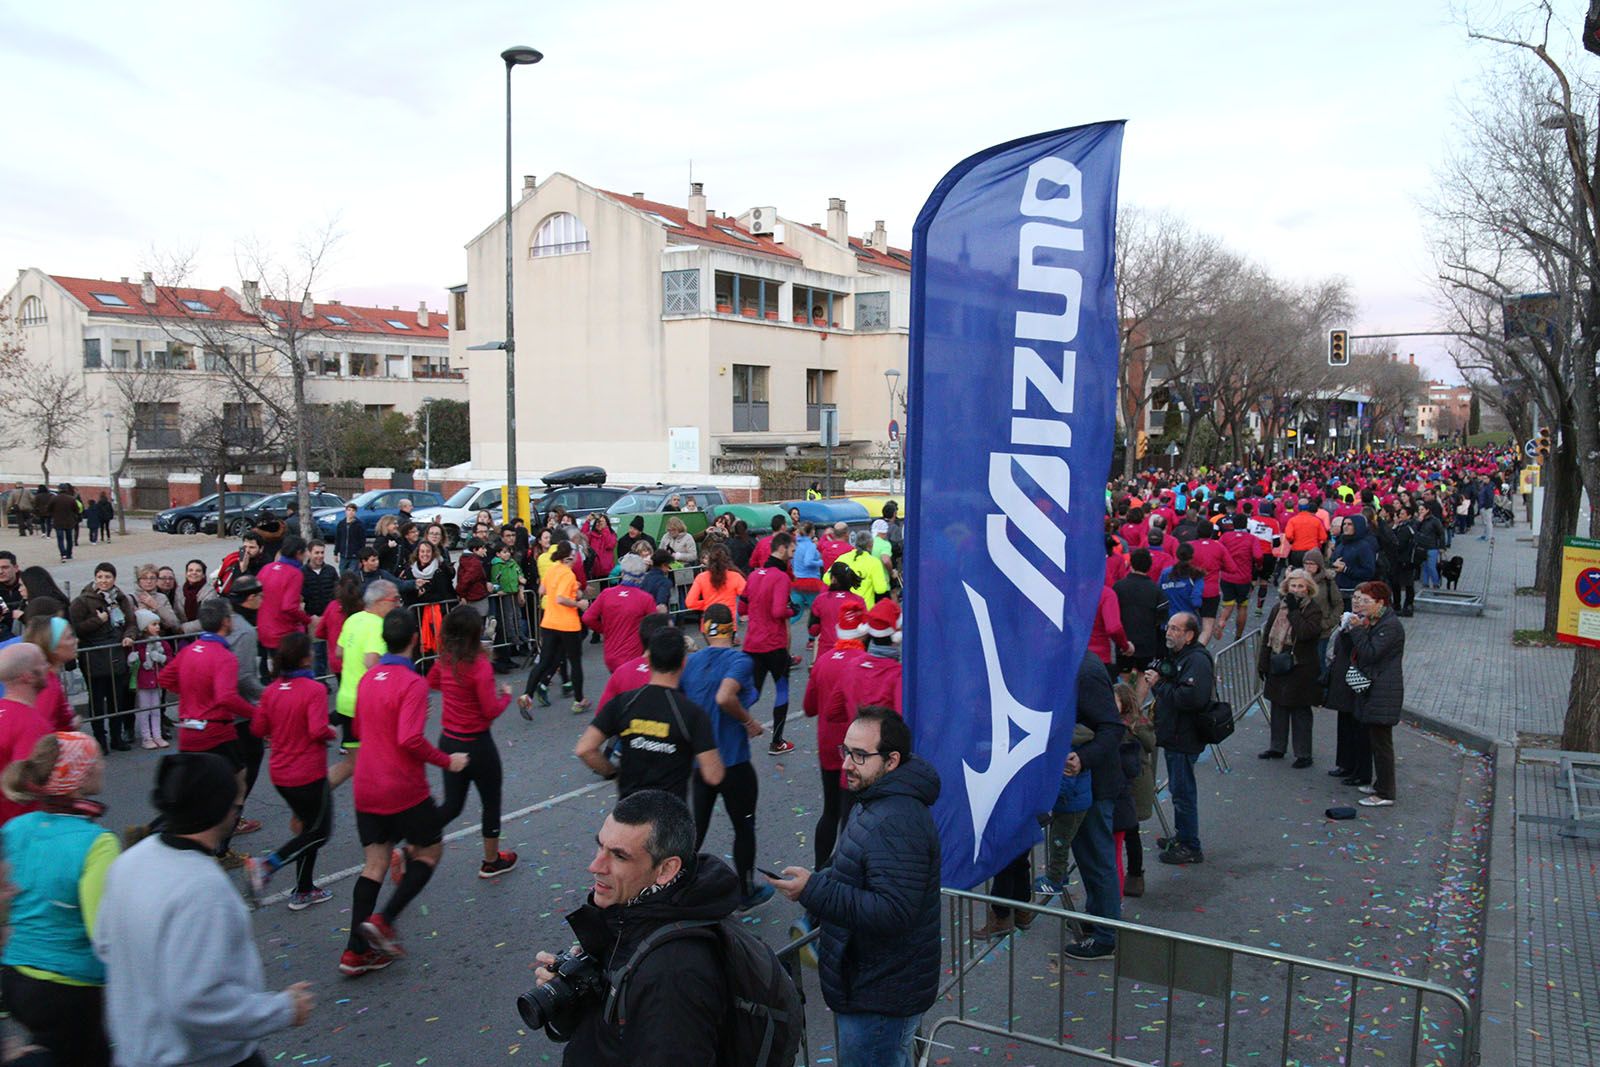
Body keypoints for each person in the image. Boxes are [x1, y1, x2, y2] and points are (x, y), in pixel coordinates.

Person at [98, 753, 314, 1060]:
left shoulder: (130, 861)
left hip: (139, 1047)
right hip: (196, 1056)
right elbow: (197, 1001)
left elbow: (105, 945)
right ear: (220, 809)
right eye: (234, 800)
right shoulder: (202, 887)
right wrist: (283, 1009)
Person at [768, 707, 940, 1067]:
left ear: (892, 761)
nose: (846, 763)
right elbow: (855, 866)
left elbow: (894, 911)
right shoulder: (875, 796)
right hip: (871, 983)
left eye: (860, 755)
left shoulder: (897, 820)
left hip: (879, 996)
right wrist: (819, 883)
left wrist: (813, 890)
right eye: (846, 751)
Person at [532, 790, 745, 1064]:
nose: (595, 866)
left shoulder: (672, 975)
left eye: (619, 856)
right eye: (600, 846)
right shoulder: (636, 910)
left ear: (666, 870)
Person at [341, 609, 469, 976]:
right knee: (429, 850)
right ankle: (384, 920)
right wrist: (448, 762)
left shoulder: (367, 679)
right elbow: (410, 738)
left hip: (366, 784)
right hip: (401, 786)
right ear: (415, 639)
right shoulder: (412, 683)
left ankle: (354, 952)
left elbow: (363, 730)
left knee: (375, 864)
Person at [0, 731, 118, 1066]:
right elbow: (104, 934)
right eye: (96, 760)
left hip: (15, 979)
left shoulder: (15, 828)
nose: (102, 766)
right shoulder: (98, 843)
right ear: (79, 776)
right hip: (69, 990)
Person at [682, 604, 768, 910]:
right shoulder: (739, 660)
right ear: (733, 629)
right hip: (733, 764)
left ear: (704, 629)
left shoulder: (690, 664)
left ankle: (674, 891)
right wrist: (749, 722)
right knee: (744, 826)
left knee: (695, 832)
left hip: (700, 764)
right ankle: (746, 892)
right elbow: (724, 697)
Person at [244, 632, 338, 911]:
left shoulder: (272, 690)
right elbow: (317, 729)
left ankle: (303, 889)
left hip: (281, 773)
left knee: (308, 830)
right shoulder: (314, 690)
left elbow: (258, 729)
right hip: (308, 773)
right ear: (306, 657)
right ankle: (266, 866)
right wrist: (332, 731)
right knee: (320, 833)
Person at [577, 628, 724, 800]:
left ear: (649, 661)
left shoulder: (623, 703)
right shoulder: (692, 713)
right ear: (684, 663)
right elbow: (714, 775)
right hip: (669, 812)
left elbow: (585, 749)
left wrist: (613, 773)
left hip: (628, 811)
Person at [428, 606, 519, 878]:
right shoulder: (480, 666)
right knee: (491, 801)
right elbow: (490, 710)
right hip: (477, 744)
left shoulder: (444, 659)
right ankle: (491, 861)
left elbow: (433, 683)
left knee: (452, 806)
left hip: (449, 740)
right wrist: (505, 696)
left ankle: (413, 842)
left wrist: (456, 693)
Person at [1140, 612, 1212, 865]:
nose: (1169, 633)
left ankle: (1190, 845)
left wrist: (1159, 684)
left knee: (1183, 792)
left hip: (1185, 736)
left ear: (1190, 635)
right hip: (1174, 734)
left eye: (1175, 629)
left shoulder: (1197, 661)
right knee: (1178, 789)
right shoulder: (1180, 657)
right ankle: (1183, 837)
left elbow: (1191, 698)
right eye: (1168, 628)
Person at [1328, 581, 1405, 808]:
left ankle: (1385, 793)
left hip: (1384, 691)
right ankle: (1380, 784)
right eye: (1359, 600)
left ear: (1380, 602)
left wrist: (1358, 630)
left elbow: (1370, 653)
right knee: (1376, 740)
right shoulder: (1376, 621)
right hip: (1374, 687)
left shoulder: (1389, 626)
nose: (1361, 605)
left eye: (1366, 601)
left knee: (1382, 744)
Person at [331, 580, 402, 790]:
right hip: (367, 707)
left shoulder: (353, 619)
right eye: (394, 600)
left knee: (352, 763)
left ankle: (314, 797)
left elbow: (339, 652)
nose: (398, 605)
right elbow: (371, 663)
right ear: (379, 602)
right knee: (388, 758)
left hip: (346, 701)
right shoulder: (378, 625)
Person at [1255, 569, 1324, 768]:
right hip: (1279, 661)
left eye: (1301, 586)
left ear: (1308, 588)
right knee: (1278, 706)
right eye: (1293, 586)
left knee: (1300, 709)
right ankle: (1277, 746)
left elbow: (1304, 633)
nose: (1296, 590)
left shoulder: (1313, 609)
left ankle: (1303, 753)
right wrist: (1263, 662)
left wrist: (1294, 611)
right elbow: (1268, 635)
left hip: (1301, 665)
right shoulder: (1278, 607)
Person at [68, 563, 138, 752]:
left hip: (116, 655)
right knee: (97, 700)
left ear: (114, 579)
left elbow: (131, 622)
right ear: (95, 578)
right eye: (100, 577)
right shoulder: (82, 601)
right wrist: (97, 621)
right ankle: (100, 739)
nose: (104, 581)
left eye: (108, 577)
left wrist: (129, 636)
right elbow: (76, 628)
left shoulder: (121, 599)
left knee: (117, 699)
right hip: (93, 657)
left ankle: (116, 737)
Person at [742, 531, 797, 754]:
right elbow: (778, 611)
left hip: (752, 644)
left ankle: (727, 725)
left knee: (753, 692)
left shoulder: (754, 575)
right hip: (774, 645)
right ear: (782, 548)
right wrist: (792, 610)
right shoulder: (781, 577)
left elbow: (742, 607)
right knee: (782, 690)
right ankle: (777, 741)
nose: (793, 556)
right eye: (792, 551)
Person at [522, 541, 589, 714]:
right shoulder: (567, 574)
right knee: (575, 663)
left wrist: (575, 590)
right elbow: (561, 598)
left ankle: (527, 695)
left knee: (545, 661)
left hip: (549, 622)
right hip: (567, 624)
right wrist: (579, 603)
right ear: (570, 556)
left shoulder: (552, 569)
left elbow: (542, 590)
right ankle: (579, 700)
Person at [0, 645, 57, 826]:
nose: (48, 666)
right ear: (27, 676)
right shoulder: (31, 724)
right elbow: (33, 783)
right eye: (42, 663)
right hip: (19, 828)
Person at [585, 553, 664, 672]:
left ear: (622, 574)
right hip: (634, 658)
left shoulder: (606, 594)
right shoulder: (645, 598)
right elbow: (656, 629)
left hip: (611, 656)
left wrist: (604, 629)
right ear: (642, 577)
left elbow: (587, 618)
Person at [258, 535, 311, 671]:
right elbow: (289, 607)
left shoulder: (267, 568)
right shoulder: (294, 574)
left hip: (265, 630)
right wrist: (307, 620)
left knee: (275, 675)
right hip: (283, 633)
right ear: (299, 553)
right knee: (292, 674)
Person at [1114, 549, 1170, 674]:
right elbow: (1163, 615)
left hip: (1124, 640)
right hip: (1147, 640)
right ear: (1149, 567)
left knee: (1124, 676)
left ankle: (1127, 694)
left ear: (1131, 564)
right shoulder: (1155, 590)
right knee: (1144, 675)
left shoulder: (1118, 587)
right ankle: (1138, 695)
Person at [127, 609, 171, 749]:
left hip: (157, 680)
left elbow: (170, 658)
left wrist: (162, 658)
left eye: (158, 624)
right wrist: (131, 659)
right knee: (145, 710)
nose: (157, 627)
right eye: (154, 624)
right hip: (143, 680)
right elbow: (132, 659)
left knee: (156, 710)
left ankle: (157, 736)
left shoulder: (162, 643)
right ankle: (147, 737)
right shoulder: (138, 645)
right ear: (145, 627)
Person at [828, 530, 891, 610]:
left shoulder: (842, 558)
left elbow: (826, 579)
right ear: (870, 545)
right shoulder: (874, 562)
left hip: (843, 608)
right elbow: (880, 589)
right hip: (864, 610)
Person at [48, 484, 78, 563]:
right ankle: (69, 554)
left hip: (58, 522)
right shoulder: (71, 499)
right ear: (66, 489)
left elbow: (49, 509)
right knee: (69, 538)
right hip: (69, 522)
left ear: (59, 489)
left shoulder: (54, 499)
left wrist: (53, 514)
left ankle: (63, 554)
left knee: (60, 539)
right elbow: (76, 510)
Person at [334, 503, 365, 570]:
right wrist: (335, 553)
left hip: (354, 556)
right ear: (345, 511)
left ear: (355, 512)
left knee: (353, 573)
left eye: (353, 510)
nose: (351, 512)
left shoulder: (359, 525)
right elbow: (338, 539)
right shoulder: (341, 524)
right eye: (349, 510)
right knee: (342, 572)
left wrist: (361, 557)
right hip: (343, 555)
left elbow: (362, 542)